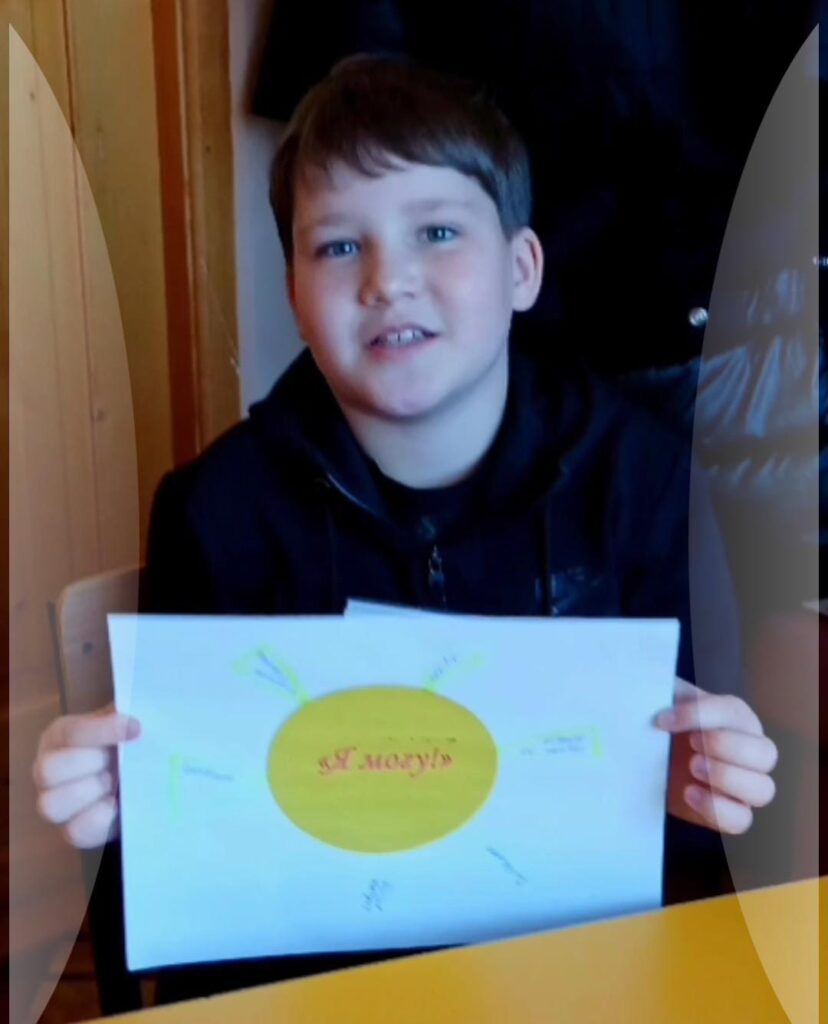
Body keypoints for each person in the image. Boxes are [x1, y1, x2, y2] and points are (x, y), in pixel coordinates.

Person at [32, 56, 777, 998]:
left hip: (580, 984)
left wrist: (705, 790)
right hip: (312, 997)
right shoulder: (215, 511)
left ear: (521, 268)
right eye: (339, 246)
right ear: (294, 294)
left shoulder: (647, 481)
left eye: (437, 232)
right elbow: (194, 871)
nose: (388, 280)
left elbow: (713, 829)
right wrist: (123, 809)